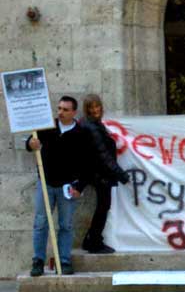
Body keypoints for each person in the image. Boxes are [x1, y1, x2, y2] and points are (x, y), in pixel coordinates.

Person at [25, 96, 88, 276]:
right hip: (45, 183)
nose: (60, 112)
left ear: (74, 113)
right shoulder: (48, 127)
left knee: (66, 225)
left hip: (67, 186)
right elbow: (31, 142)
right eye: (59, 108)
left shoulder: (81, 133)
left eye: (65, 110)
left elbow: (88, 163)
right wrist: (30, 144)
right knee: (40, 223)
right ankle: (38, 261)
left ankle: (64, 261)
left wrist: (80, 186)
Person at [81, 94, 130, 254]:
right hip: (100, 175)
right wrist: (121, 175)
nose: (95, 110)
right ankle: (94, 241)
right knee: (103, 207)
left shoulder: (93, 124)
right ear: (87, 109)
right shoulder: (92, 127)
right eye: (91, 107)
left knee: (103, 207)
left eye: (97, 106)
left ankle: (90, 240)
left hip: (99, 173)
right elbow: (103, 155)